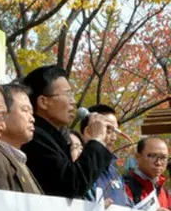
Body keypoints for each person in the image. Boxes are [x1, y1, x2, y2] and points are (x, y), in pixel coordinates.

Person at [21, 65, 113, 198]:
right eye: (68, 94)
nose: (74, 102)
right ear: (43, 102)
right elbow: (72, 184)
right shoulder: (34, 137)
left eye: (73, 95)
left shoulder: (54, 137)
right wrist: (96, 140)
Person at [0, 83, 42, 194]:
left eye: (31, 113)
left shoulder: (18, 160)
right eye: (25, 110)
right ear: (2, 114)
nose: (32, 119)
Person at [80, 104, 130, 206]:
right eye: (108, 130)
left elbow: (127, 206)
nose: (114, 138)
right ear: (88, 132)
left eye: (115, 131)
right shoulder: (80, 169)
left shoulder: (114, 172)